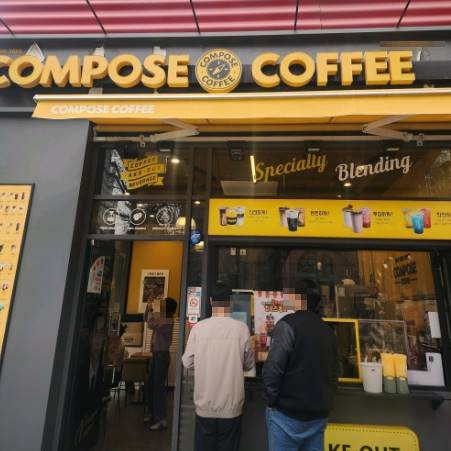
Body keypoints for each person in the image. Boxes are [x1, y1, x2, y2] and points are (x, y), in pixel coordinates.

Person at [263, 286, 338, 451]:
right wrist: (327, 400)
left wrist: (272, 401)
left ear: (298, 300)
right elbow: (334, 373)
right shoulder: (327, 330)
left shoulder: (287, 324)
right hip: (319, 415)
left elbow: (273, 367)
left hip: (286, 413)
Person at [182, 282, 255, 451]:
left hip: (205, 406)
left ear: (210, 301)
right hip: (231, 408)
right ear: (230, 302)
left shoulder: (198, 329)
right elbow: (249, 363)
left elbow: (187, 362)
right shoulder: (241, 329)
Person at [144, 296, 177, 430]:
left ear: (167, 308)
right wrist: (148, 308)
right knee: (151, 385)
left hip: (162, 355)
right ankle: (152, 414)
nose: (160, 307)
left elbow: (151, 323)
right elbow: (147, 319)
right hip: (156, 354)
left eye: (163, 305)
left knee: (158, 387)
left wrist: (151, 310)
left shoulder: (168, 321)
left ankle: (161, 419)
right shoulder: (162, 318)